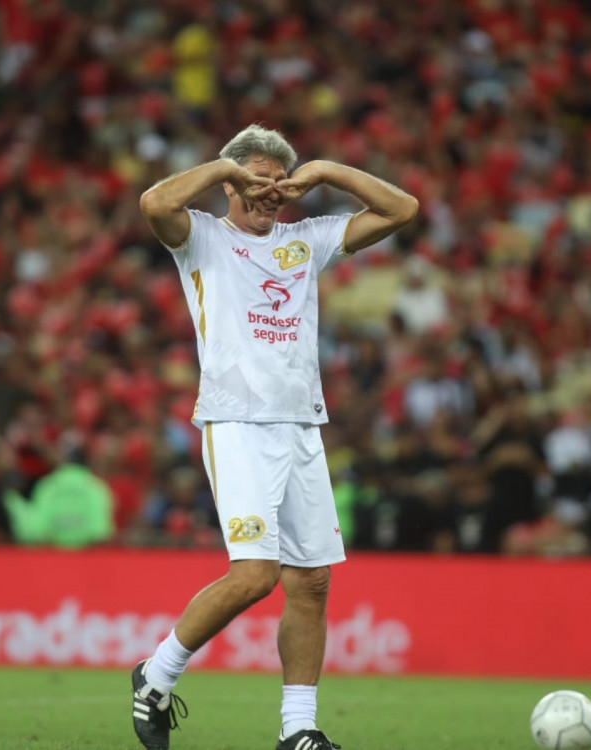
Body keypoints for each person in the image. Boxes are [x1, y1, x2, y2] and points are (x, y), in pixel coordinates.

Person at [131, 124, 418, 750]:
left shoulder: (304, 241)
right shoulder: (201, 236)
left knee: (312, 581)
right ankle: (156, 677)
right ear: (233, 180)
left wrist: (328, 172)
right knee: (256, 574)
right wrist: (221, 169)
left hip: (302, 423)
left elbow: (403, 209)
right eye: (255, 180)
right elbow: (154, 204)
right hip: (237, 422)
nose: (268, 195)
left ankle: (299, 731)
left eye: (277, 185)